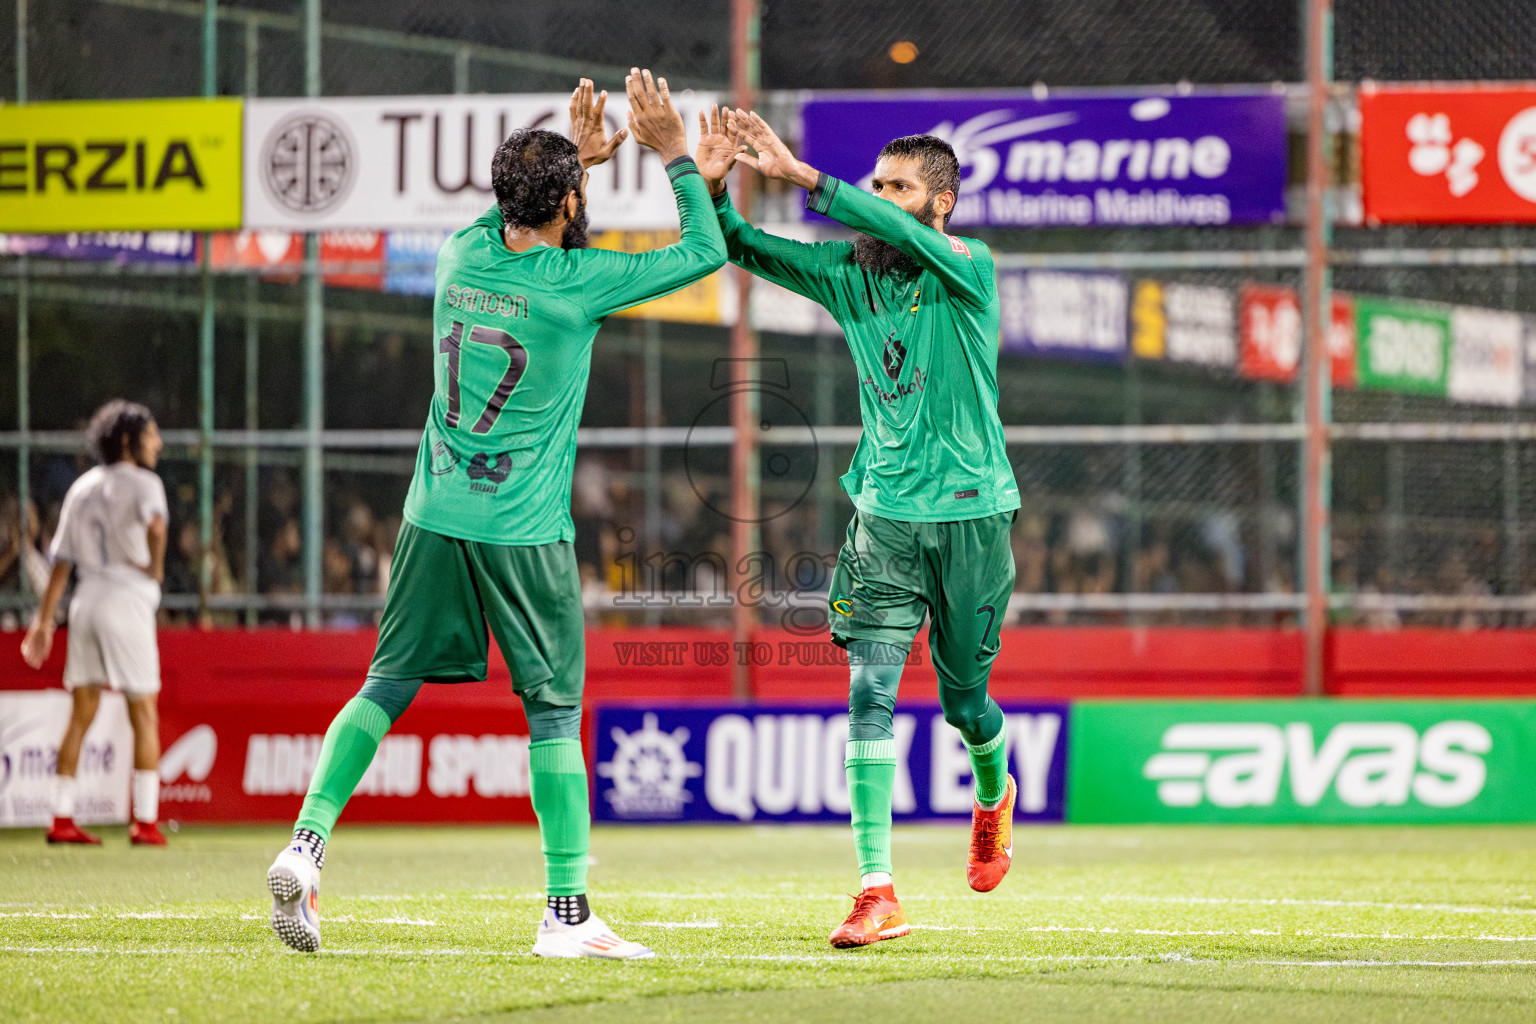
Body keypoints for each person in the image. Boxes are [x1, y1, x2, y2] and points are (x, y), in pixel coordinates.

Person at [265, 71, 729, 957]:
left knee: (383, 685)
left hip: (433, 514)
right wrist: (672, 157)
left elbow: (508, 212)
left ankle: (307, 845)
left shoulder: (459, 257)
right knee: (553, 712)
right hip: (523, 528)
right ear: (566, 202)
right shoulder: (576, 281)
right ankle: (566, 916)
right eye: (579, 190)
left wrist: (571, 160)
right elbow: (703, 255)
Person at [697, 108, 1021, 947]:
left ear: (940, 204)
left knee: (964, 700)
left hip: (973, 517)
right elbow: (739, 244)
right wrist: (705, 182)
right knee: (870, 693)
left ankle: (992, 792)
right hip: (882, 519)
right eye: (874, 183)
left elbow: (881, 227)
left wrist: (808, 179)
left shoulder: (968, 269)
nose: (880, 197)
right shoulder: (850, 274)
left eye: (898, 188)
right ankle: (877, 890)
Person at [23, 400, 170, 847]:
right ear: (129, 441)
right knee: (143, 711)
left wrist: (43, 623)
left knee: (81, 712)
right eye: (151, 435)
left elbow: (61, 564)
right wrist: (155, 567)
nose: (159, 443)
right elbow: (158, 526)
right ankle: (145, 822)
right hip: (126, 598)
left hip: (85, 601)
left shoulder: (82, 487)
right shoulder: (146, 483)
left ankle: (61, 817)